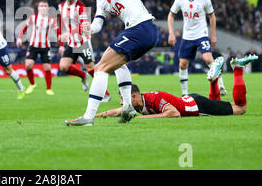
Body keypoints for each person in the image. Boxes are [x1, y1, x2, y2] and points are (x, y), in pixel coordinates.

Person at [65, 0, 190, 126]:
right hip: (142, 33)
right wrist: (87, 28)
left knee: (101, 68)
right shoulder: (100, 2)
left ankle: (89, 117)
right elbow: (97, 26)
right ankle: (128, 107)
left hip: (141, 28)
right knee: (118, 65)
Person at [95, 55, 258, 119]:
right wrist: (95, 115)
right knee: (217, 102)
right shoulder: (137, 102)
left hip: (196, 106)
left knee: (240, 108)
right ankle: (213, 81)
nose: (122, 103)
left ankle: (237, 69)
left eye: (124, 99)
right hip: (192, 100)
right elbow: (117, 112)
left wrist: (141, 118)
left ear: (135, 96)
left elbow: (174, 113)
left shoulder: (154, 98)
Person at [167, 0, 227, 96]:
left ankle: (221, 86)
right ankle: (184, 94)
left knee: (208, 59)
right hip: (187, 36)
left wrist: (213, 35)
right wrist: (171, 33)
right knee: (182, 64)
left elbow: (212, 16)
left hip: (201, 34)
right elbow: (171, 15)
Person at [57, 0, 110, 101]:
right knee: (63, 66)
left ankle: (105, 94)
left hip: (83, 42)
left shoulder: (81, 7)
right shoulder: (61, 7)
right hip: (71, 43)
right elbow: (60, 26)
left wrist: (69, 34)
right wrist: (61, 45)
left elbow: (83, 25)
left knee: (91, 68)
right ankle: (82, 75)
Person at [16, 0, 57, 95]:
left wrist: (62, 43)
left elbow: (57, 31)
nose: (43, 7)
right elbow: (24, 27)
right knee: (28, 65)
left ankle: (48, 89)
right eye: (41, 6)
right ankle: (32, 84)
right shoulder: (33, 18)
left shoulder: (51, 20)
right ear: (38, 8)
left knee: (47, 67)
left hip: (45, 47)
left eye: (45, 6)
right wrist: (19, 38)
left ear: (48, 8)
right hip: (33, 45)